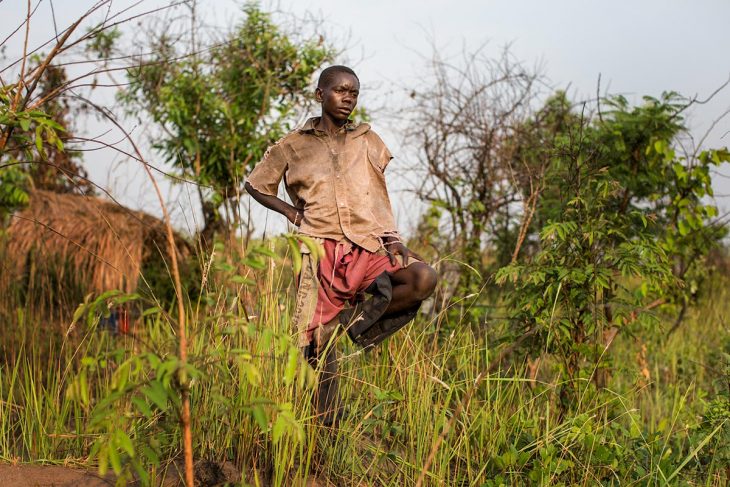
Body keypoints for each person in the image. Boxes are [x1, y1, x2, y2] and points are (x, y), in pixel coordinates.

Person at [244, 65, 437, 426]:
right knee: (315, 344)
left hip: (365, 245)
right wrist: (291, 212)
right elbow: (255, 185)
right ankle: (324, 425)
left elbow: (378, 194)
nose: (348, 97)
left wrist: (393, 238)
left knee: (422, 278)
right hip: (318, 249)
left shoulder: (368, 140)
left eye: (354, 92)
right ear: (321, 95)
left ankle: (351, 322)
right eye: (340, 91)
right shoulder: (292, 145)